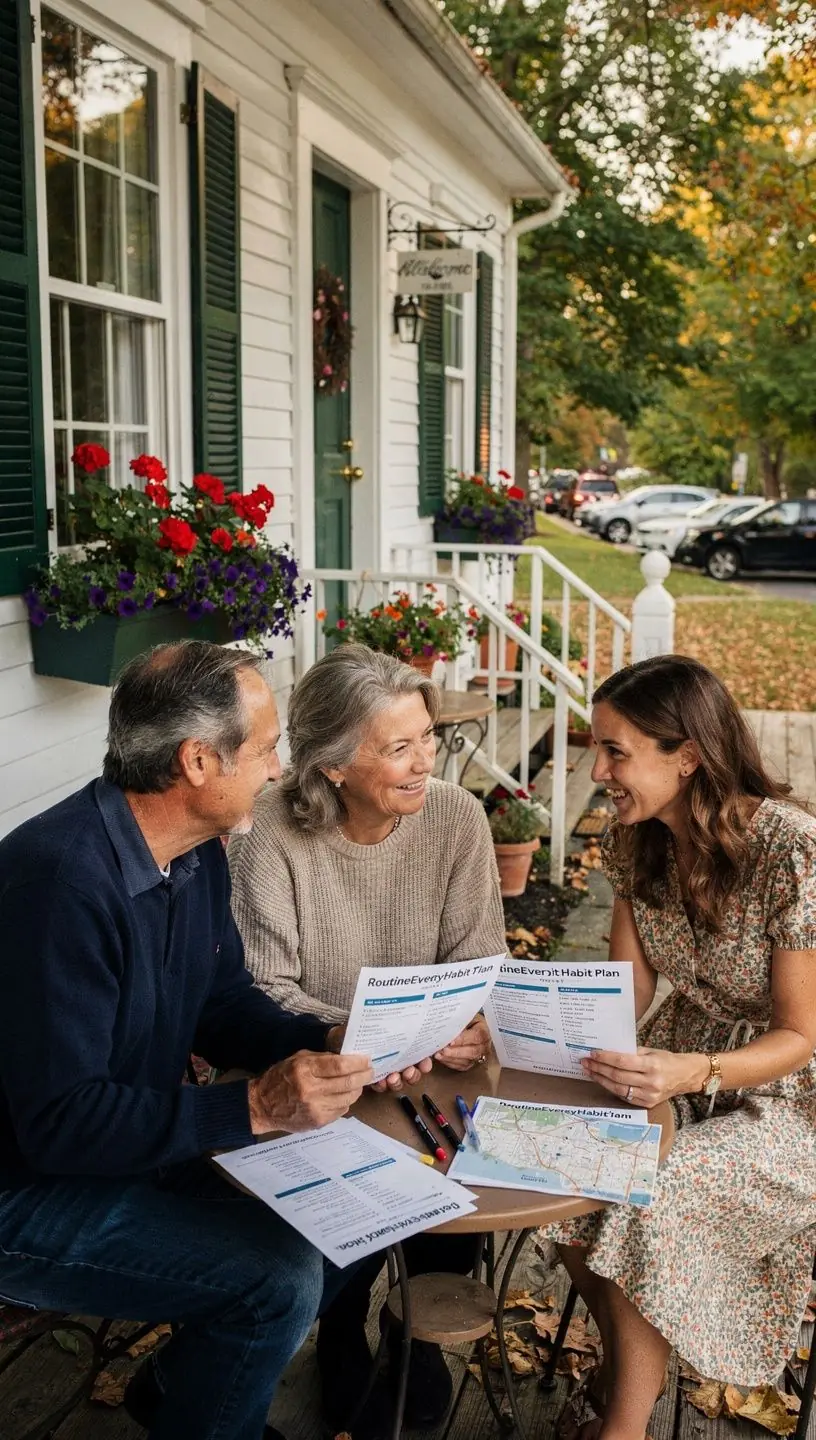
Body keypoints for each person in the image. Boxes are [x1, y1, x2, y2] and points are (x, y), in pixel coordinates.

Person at [0, 641, 380, 1440]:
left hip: (132, 1149)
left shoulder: (197, 850)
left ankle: (183, 1395)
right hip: (26, 1189)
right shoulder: (59, 883)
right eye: (269, 747)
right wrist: (251, 1107)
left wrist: (328, 1037)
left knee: (353, 1219)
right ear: (198, 760)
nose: (279, 769)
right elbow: (62, 1123)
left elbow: (223, 998)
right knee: (275, 1283)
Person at [229, 643, 505, 1432]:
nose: (424, 763)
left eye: (428, 738)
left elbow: (481, 960)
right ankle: (342, 1329)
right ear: (334, 765)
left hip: (432, 1069)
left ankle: (408, 1331)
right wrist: (354, 1040)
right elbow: (261, 985)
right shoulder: (272, 832)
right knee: (345, 1202)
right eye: (397, 747)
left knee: (461, 1179)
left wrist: (468, 1025)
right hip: (316, 1068)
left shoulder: (456, 817)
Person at [539, 655, 816, 1440]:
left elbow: (802, 1035)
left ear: (686, 755)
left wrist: (695, 1073)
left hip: (789, 1098)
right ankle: (633, 1365)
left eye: (615, 751)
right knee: (558, 1161)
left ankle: (623, 1426)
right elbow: (624, 995)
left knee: (651, 1190)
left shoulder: (792, 851)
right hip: (669, 1065)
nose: (597, 770)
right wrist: (529, 1026)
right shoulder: (635, 842)